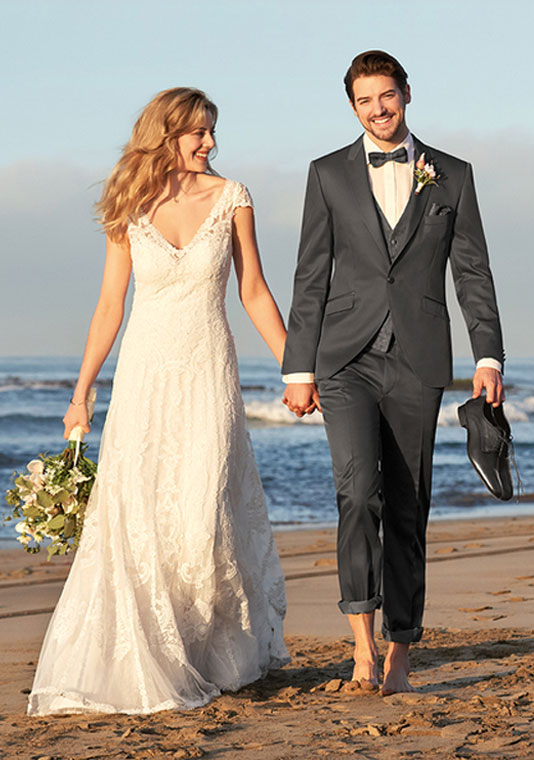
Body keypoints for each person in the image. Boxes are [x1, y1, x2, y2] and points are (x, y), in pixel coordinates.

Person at [28, 88, 290, 715]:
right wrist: (81, 391)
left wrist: (296, 368)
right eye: (196, 133)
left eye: (211, 132)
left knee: (202, 513)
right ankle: (153, 656)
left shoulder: (233, 198)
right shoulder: (131, 204)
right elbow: (109, 307)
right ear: (164, 135)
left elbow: (253, 290)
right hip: (143, 380)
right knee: (141, 515)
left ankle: (203, 652)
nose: (209, 143)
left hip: (207, 373)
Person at [281, 51, 505, 695]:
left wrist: (487, 356)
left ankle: (402, 650)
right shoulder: (326, 175)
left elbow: (473, 272)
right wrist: (300, 366)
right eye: (364, 101)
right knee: (357, 494)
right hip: (344, 359)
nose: (378, 109)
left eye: (387, 96)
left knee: (409, 506)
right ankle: (361, 646)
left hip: (418, 360)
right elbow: (309, 276)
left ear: (407, 93)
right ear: (352, 107)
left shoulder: (452, 176)